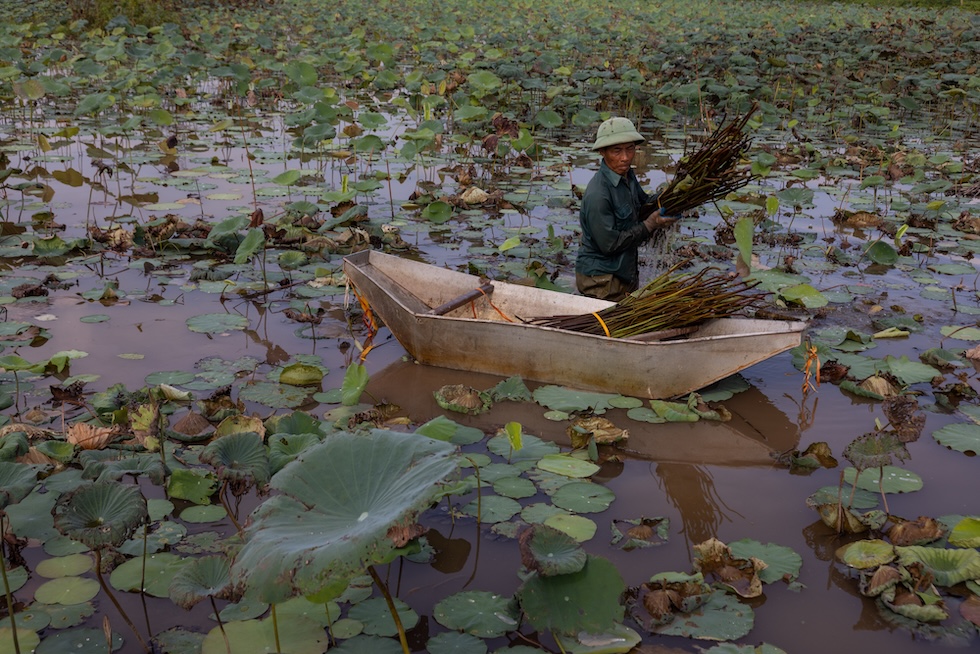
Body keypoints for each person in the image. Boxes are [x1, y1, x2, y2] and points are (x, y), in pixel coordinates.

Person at [575, 117, 678, 301]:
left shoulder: (626, 175)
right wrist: (649, 225)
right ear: (602, 151)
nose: (625, 157)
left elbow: (644, 203)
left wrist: (672, 196)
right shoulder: (598, 195)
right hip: (600, 281)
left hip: (624, 274)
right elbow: (610, 245)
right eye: (617, 151)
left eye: (630, 149)